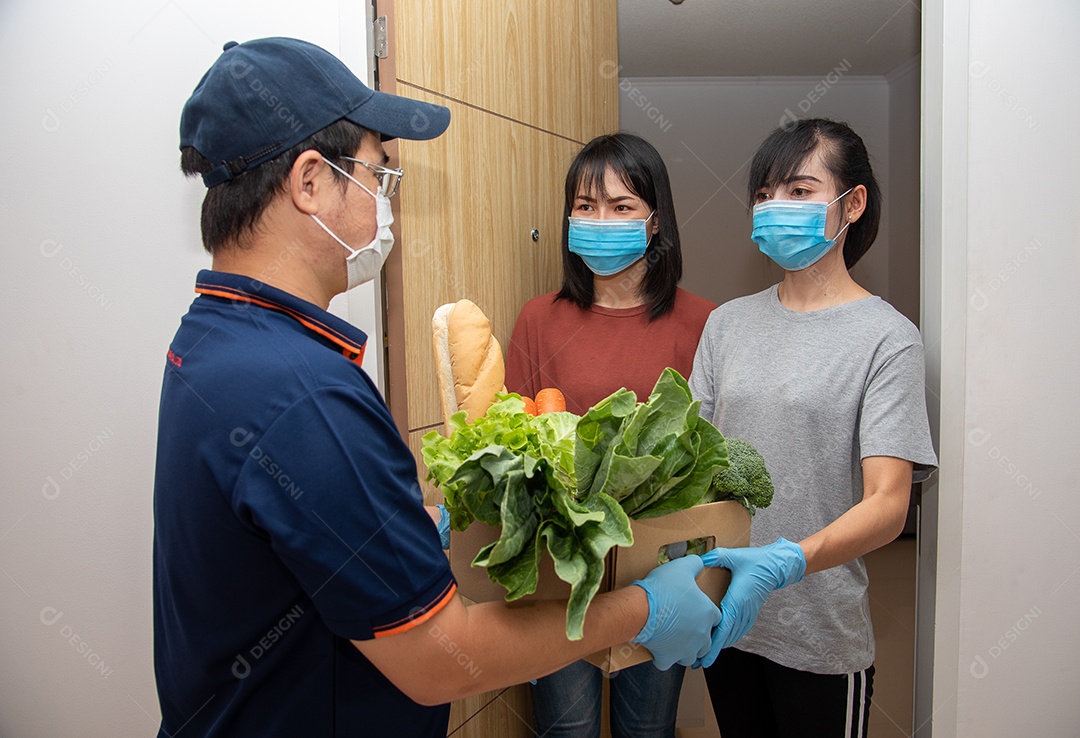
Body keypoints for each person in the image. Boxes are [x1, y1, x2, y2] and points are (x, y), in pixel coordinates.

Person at [154, 38, 724, 738]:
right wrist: (643, 609)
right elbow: (440, 659)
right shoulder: (305, 393)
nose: (386, 200)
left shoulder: (211, 338)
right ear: (310, 182)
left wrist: (403, 525)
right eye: (379, 173)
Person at [689, 118, 938, 738]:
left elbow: (888, 505)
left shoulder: (888, 339)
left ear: (851, 204)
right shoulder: (726, 325)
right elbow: (689, 467)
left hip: (820, 635)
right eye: (764, 193)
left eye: (799, 191)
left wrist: (787, 562)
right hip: (727, 617)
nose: (776, 206)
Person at [505, 132, 718, 738]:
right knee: (566, 729)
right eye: (585, 206)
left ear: (656, 221)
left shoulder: (704, 322)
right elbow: (516, 442)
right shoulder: (538, 318)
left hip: (661, 569)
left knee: (647, 729)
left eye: (622, 206)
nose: (600, 221)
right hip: (559, 567)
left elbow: (712, 458)